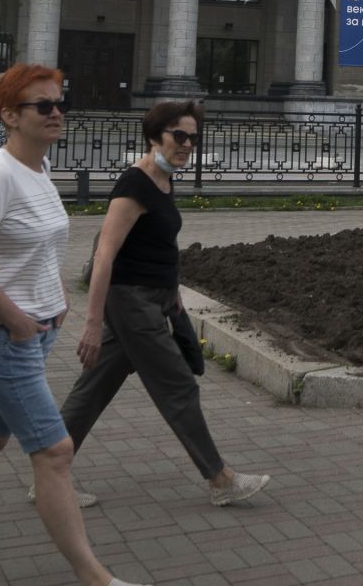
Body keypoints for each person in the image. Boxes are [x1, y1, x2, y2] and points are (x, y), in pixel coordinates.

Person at [0, 63, 146, 586]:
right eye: (43, 105)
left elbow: (33, 246)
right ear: (10, 115)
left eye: (60, 103)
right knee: (56, 451)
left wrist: (55, 294)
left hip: (34, 332)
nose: (56, 113)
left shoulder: (36, 169)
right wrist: (17, 321)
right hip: (3, 338)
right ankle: (95, 578)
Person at [59, 100, 270, 507]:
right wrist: (91, 322)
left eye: (193, 137)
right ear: (155, 136)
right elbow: (104, 254)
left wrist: (171, 293)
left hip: (154, 300)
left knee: (93, 389)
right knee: (177, 386)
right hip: (131, 302)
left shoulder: (164, 181)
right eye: (179, 136)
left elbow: (157, 244)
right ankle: (220, 479)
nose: (188, 144)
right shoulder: (134, 184)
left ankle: (48, 474)